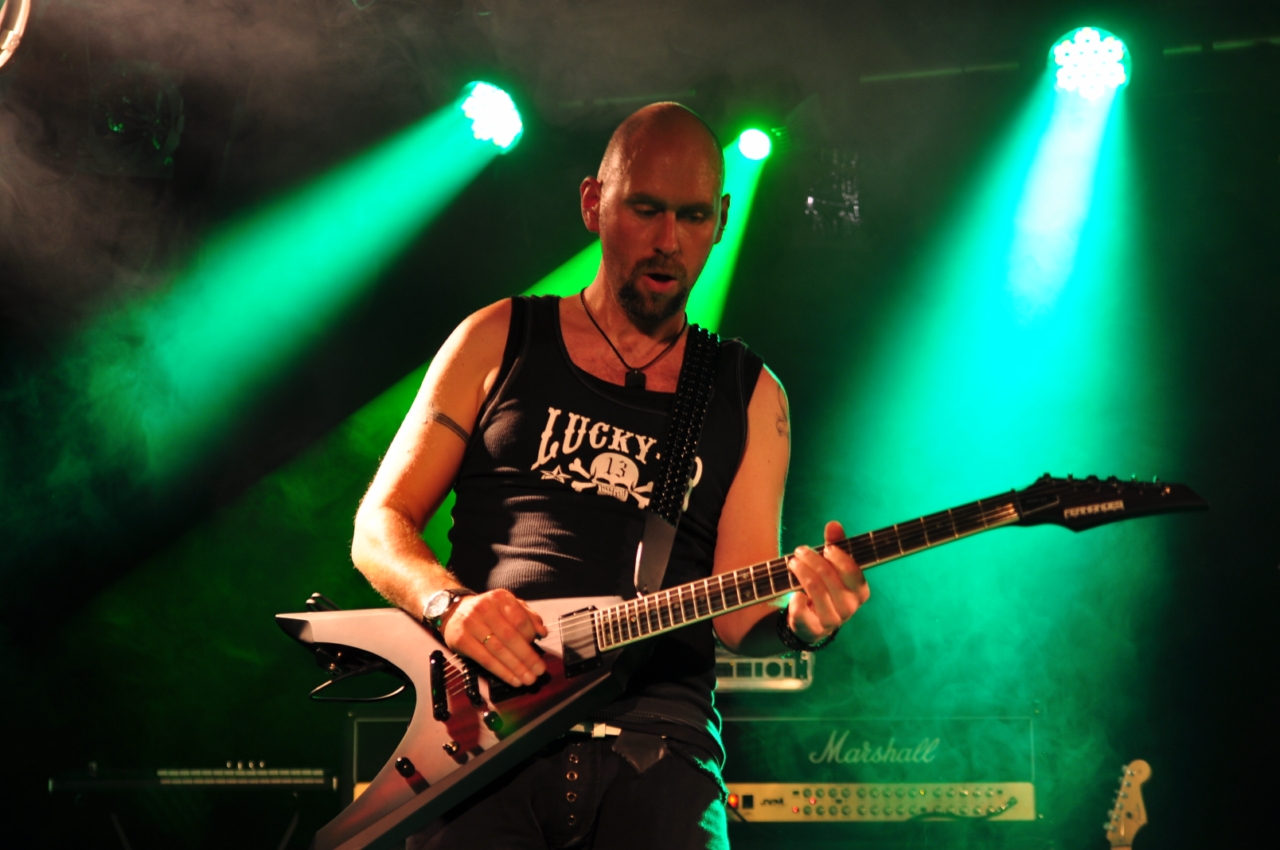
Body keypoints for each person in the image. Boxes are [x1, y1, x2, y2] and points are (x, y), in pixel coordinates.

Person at [351, 102, 869, 849]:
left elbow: (741, 618)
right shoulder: (499, 338)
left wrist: (804, 624)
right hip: (484, 744)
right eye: (645, 209)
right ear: (594, 203)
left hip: (660, 752)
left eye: (693, 216)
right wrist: (449, 606)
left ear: (723, 220)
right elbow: (380, 525)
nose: (668, 240)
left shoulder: (749, 394)